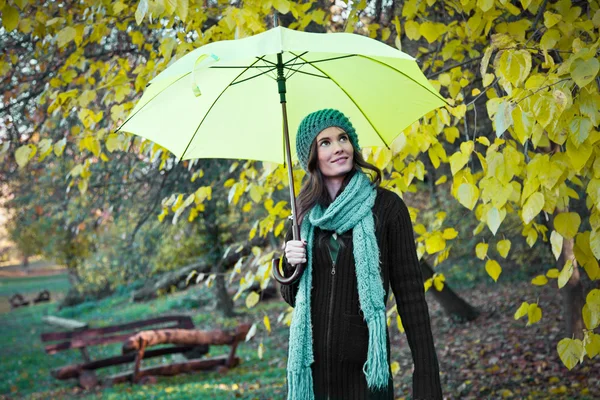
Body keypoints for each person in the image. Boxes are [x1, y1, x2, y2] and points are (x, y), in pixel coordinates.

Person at [280, 109, 442, 400]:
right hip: (312, 375)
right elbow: (294, 298)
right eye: (325, 142)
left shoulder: (387, 207)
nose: (339, 147)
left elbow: (411, 297)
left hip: (366, 374)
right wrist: (290, 263)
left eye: (343, 138)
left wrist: (427, 375)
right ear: (311, 157)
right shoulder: (301, 217)